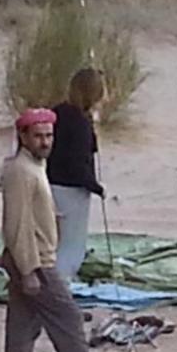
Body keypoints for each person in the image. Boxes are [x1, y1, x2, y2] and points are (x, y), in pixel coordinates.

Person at [0, 108, 95, 352]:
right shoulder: (21, 171)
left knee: (22, 325)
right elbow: (17, 224)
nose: (44, 142)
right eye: (38, 136)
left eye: (49, 135)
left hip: (32, 258)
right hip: (35, 261)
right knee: (69, 321)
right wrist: (29, 270)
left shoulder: (34, 166)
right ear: (23, 137)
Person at [47, 68, 106, 283]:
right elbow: (78, 164)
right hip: (71, 192)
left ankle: (50, 286)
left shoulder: (57, 112)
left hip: (49, 185)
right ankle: (62, 290)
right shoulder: (80, 124)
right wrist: (96, 187)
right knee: (71, 246)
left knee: (51, 242)